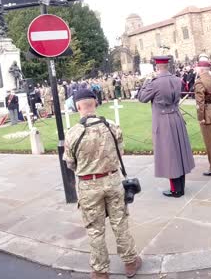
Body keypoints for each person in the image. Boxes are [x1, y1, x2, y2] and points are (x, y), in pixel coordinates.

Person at [63, 89, 142, 279]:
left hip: (89, 185)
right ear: (95, 103)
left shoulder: (73, 133)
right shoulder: (112, 127)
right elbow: (119, 153)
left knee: (95, 229)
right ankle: (130, 262)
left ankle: (100, 272)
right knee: (120, 222)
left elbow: (70, 163)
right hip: (113, 180)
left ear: (78, 106)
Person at [137, 56, 195, 198]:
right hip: (176, 116)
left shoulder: (154, 83)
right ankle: (181, 186)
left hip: (164, 120)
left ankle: (176, 190)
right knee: (179, 152)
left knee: (170, 155)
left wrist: (146, 82)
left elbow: (142, 98)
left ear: (157, 67)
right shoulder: (176, 79)